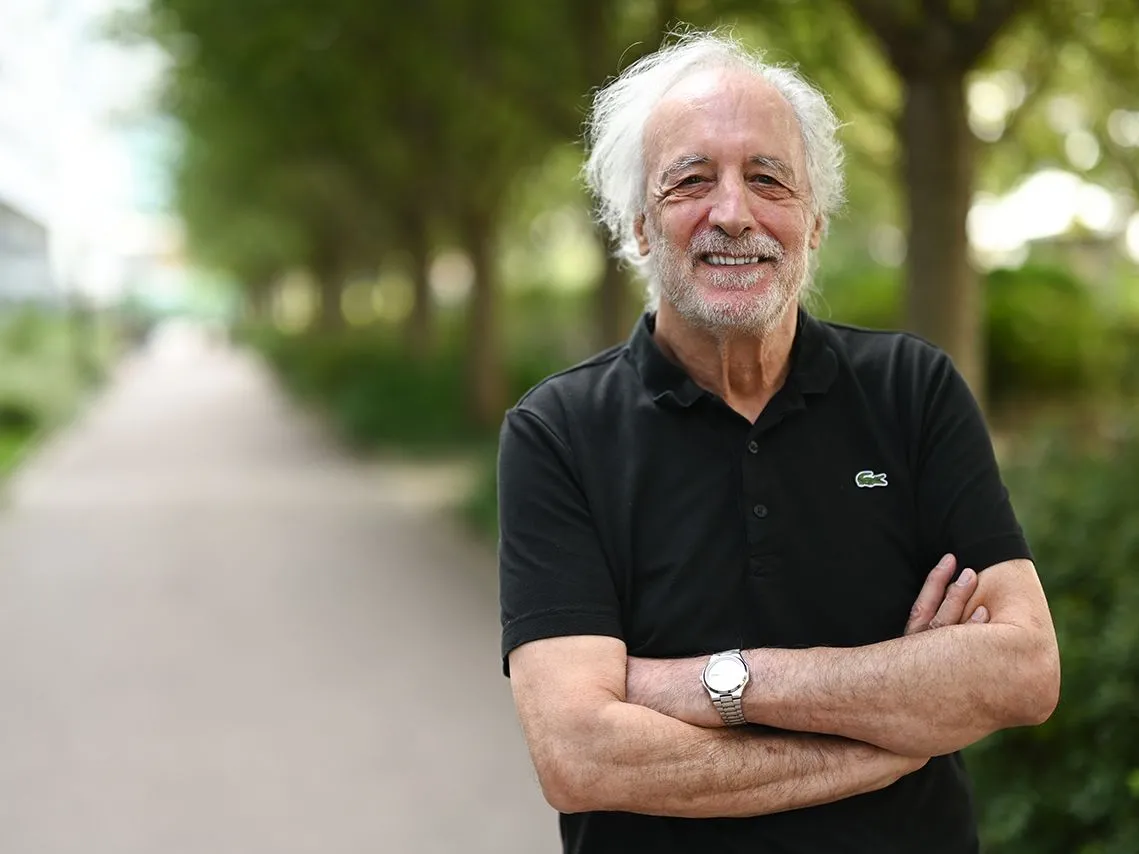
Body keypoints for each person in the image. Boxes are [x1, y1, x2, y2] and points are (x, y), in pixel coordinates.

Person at [497, 30, 1060, 854]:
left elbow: (1023, 672)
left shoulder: (914, 391)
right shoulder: (556, 434)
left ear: (814, 222)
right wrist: (894, 730)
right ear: (640, 227)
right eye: (690, 181)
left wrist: (715, 683)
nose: (733, 213)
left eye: (768, 179)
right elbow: (580, 756)